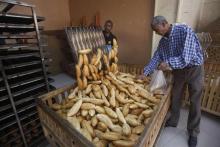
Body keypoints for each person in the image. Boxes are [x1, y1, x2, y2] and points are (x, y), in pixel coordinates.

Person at [141, 16, 204, 147]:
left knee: (195, 100)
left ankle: (193, 132)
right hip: (178, 71)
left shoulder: (184, 30)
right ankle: (173, 120)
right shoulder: (163, 41)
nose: (156, 33)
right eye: (154, 31)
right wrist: (145, 72)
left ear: (164, 24)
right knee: (175, 96)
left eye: (157, 30)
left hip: (194, 68)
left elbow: (186, 58)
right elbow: (157, 57)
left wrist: (168, 63)